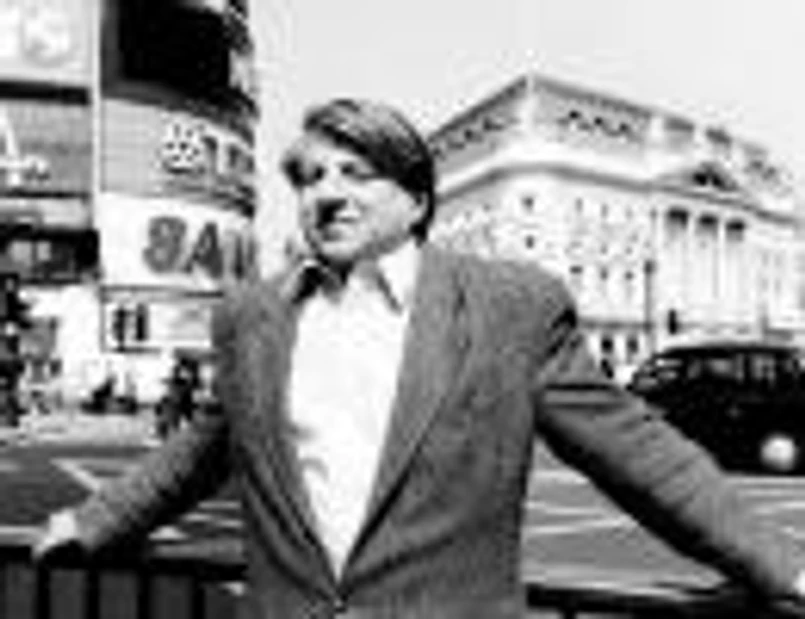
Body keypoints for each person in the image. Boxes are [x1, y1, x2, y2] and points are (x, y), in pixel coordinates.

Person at [34, 98, 805, 617]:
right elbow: (201, 451)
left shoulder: (508, 307)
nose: (325, 194)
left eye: (356, 172)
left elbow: (639, 454)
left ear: (416, 199)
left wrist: (784, 565)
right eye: (310, 177)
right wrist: (94, 518)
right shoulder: (252, 318)